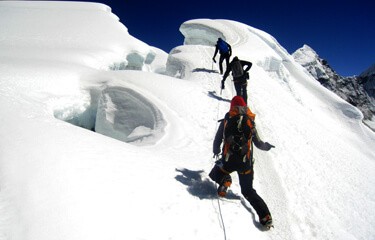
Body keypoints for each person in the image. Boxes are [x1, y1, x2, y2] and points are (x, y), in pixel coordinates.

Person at [209, 96, 274, 227]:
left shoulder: (227, 119)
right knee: (248, 190)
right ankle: (265, 216)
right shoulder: (250, 120)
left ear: (232, 106)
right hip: (246, 165)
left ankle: (225, 180)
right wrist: (266, 146)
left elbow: (218, 139)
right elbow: (258, 143)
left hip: (229, 161)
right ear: (244, 106)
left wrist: (216, 150)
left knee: (215, 172)